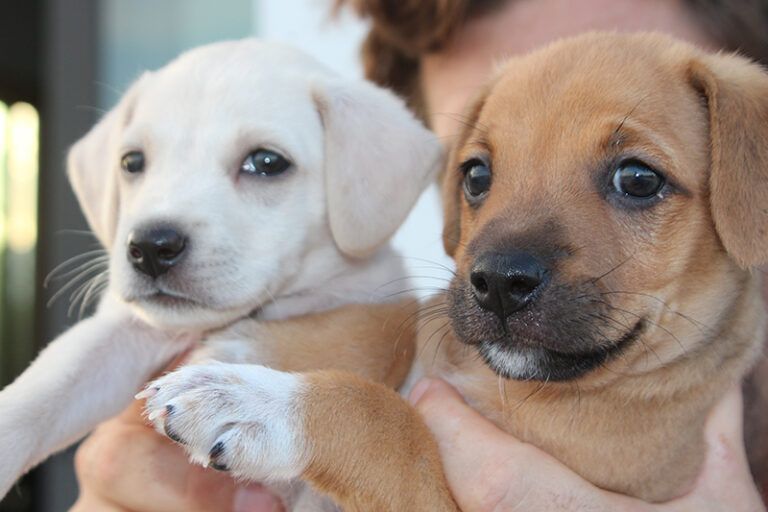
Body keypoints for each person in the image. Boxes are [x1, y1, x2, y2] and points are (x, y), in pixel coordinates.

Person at [71, 0, 768, 510]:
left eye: (635, 181)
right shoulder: (419, 325)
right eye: (481, 176)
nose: (498, 263)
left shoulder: (662, 422)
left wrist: (329, 421)